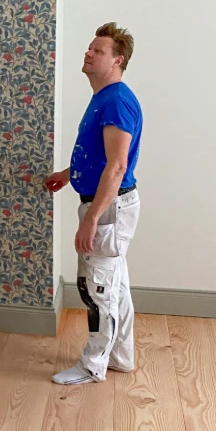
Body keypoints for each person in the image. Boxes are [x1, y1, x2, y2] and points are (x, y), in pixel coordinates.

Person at [45, 23, 143, 385]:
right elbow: (103, 158)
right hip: (107, 204)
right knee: (114, 286)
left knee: (97, 288)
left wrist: (91, 221)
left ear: (117, 60)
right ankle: (120, 356)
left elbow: (117, 166)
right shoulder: (104, 96)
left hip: (108, 207)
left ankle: (92, 365)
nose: (88, 53)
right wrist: (70, 173)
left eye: (97, 51)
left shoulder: (116, 100)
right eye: (89, 48)